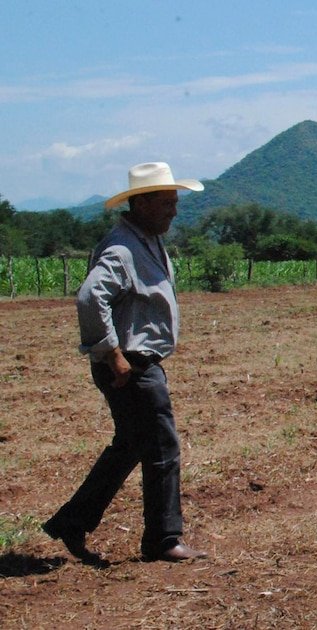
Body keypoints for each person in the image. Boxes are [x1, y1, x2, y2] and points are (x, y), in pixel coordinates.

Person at [42, 162, 208, 564]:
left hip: (136, 361)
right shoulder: (122, 248)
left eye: (174, 202)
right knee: (162, 448)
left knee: (131, 445)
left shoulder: (146, 239)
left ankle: (73, 521)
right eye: (167, 202)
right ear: (143, 202)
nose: (174, 210)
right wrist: (112, 354)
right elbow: (89, 298)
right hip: (131, 365)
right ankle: (163, 540)